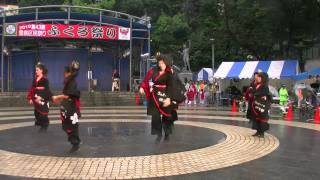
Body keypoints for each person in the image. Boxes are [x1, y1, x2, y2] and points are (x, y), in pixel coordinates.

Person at [139, 55, 175, 141]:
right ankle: (158, 132)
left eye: (162, 62)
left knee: (167, 115)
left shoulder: (169, 72)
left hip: (166, 94)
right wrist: (142, 87)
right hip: (155, 94)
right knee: (155, 115)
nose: (161, 64)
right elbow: (146, 80)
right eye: (159, 62)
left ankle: (167, 133)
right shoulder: (152, 71)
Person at [52, 61, 81, 152]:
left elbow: (69, 95)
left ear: (69, 73)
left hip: (71, 108)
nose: (64, 75)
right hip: (68, 107)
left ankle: (75, 143)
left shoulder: (71, 81)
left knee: (71, 125)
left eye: (66, 73)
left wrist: (58, 97)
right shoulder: (69, 81)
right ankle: (74, 142)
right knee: (68, 126)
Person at [27, 62, 53, 132]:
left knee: (43, 114)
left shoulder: (45, 80)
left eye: (37, 70)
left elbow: (47, 90)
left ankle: (44, 126)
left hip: (43, 100)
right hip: (36, 99)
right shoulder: (35, 79)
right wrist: (30, 98)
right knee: (36, 113)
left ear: (41, 70)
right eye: (36, 70)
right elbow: (31, 89)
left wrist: (41, 97)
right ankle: (40, 122)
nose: (36, 71)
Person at [251, 72, 272, 138]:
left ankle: (262, 133)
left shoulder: (265, 86)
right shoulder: (257, 85)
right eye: (258, 77)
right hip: (256, 104)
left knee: (262, 119)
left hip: (262, 105)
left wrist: (256, 94)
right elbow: (254, 91)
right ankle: (258, 131)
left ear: (263, 78)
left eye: (259, 77)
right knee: (257, 118)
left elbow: (264, 93)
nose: (258, 78)